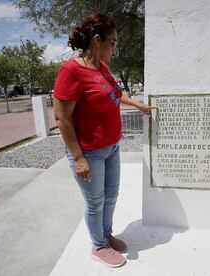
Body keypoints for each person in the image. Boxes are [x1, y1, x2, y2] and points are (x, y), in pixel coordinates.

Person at [53, 13, 155, 268]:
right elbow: (62, 119)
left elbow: (116, 95)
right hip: (89, 152)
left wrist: (138, 104)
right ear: (97, 40)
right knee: (95, 201)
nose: (115, 48)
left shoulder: (102, 67)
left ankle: (106, 234)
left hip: (111, 148)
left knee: (111, 196)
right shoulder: (71, 71)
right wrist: (78, 158)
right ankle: (98, 246)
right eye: (113, 43)